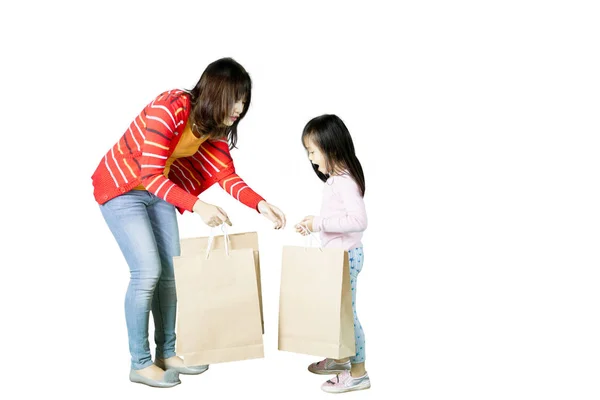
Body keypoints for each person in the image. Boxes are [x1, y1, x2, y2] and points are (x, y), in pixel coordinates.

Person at [92, 57, 286, 388]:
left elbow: (225, 173)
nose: (239, 108)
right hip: (123, 188)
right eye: (234, 98)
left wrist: (260, 203)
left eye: (244, 100)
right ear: (214, 91)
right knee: (147, 272)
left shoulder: (214, 127)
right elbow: (148, 174)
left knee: (171, 274)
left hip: (160, 191)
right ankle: (139, 363)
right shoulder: (171, 106)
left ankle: (167, 353)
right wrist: (197, 206)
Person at [295, 114, 370, 393]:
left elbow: (359, 221)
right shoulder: (336, 180)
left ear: (331, 147)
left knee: (346, 315)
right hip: (338, 256)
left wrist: (320, 224)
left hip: (346, 257)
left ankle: (358, 373)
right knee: (337, 313)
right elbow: (339, 218)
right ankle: (340, 359)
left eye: (312, 151)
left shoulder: (343, 181)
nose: (311, 158)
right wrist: (315, 223)